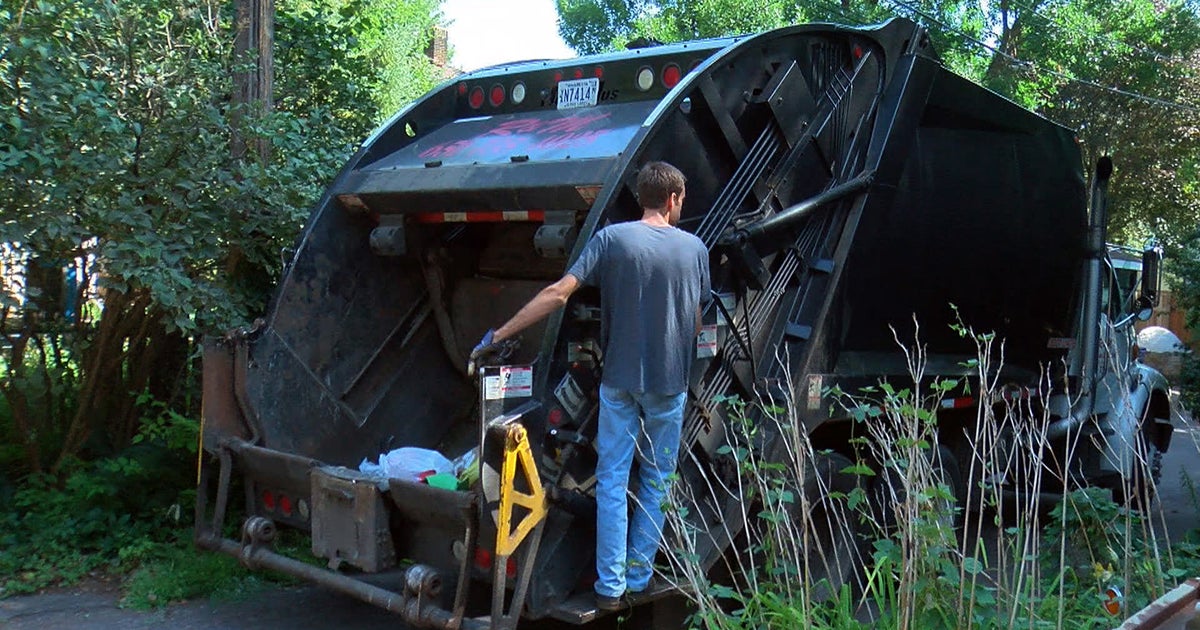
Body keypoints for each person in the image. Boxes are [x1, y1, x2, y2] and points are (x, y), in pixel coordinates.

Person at [473, 161, 710, 611]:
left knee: (612, 479)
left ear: (642, 197)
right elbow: (697, 323)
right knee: (658, 480)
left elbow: (559, 294)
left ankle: (610, 588)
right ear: (673, 199)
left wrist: (499, 335)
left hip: (619, 381)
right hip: (668, 384)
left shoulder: (610, 239)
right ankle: (639, 577)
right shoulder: (694, 249)